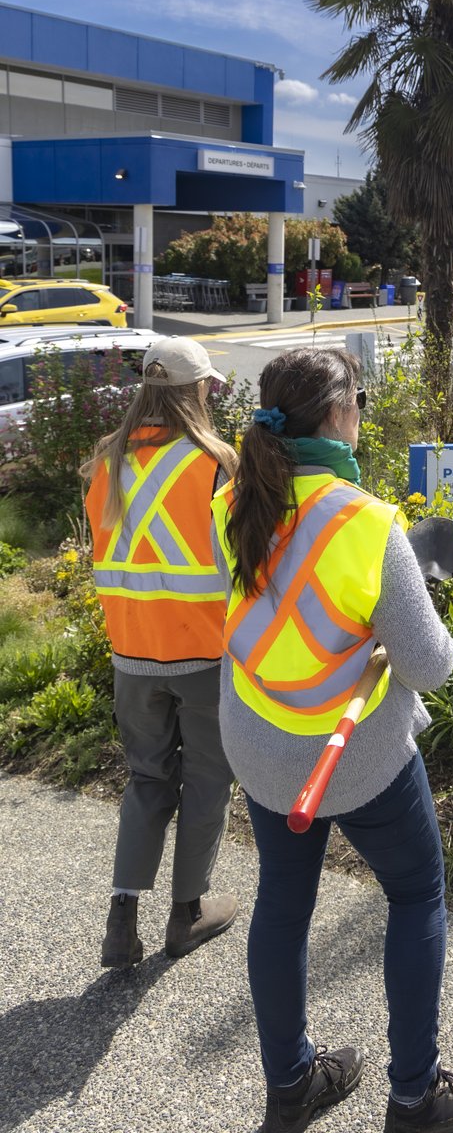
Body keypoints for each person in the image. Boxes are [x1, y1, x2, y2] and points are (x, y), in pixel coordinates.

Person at [211, 347, 453, 1133]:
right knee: (415, 895)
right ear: (338, 416)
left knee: (283, 902)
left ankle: (292, 1083)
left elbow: (248, 608)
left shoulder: (230, 502)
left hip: (261, 745)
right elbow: (430, 666)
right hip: (352, 755)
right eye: (359, 401)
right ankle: (413, 1097)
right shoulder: (367, 524)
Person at [82, 336, 239, 968]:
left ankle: (121, 920)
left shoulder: (104, 460)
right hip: (203, 654)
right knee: (206, 780)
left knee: (148, 779)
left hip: (131, 654)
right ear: (197, 391)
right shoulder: (216, 461)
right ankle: (186, 913)